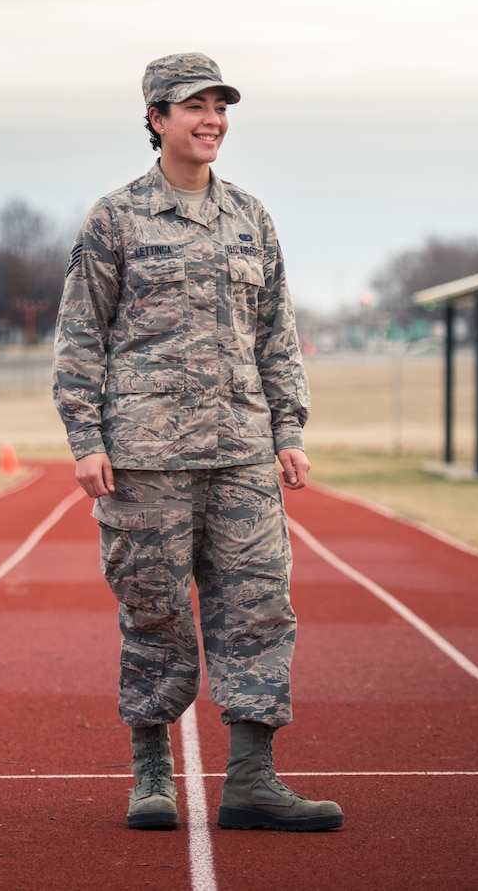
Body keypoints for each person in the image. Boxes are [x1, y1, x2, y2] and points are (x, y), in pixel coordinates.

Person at [52, 52, 343, 834]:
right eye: (194, 107)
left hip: (243, 452)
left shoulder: (252, 216)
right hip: (146, 458)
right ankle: (152, 772)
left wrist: (290, 428)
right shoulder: (115, 218)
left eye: (220, 106)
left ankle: (251, 776)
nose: (211, 120)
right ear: (155, 119)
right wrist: (86, 437)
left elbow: (278, 331)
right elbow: (81, 337)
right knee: (154, 613)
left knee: (257, 608)